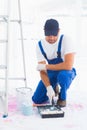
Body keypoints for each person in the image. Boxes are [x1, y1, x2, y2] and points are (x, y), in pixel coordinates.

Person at [32, 18, 76, 107]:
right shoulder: (40, 45)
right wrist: (48, 87)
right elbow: (42, 70)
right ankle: (53, 87)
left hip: (66, 71)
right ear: (44, 31)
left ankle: (62, 96)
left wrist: (46, 67)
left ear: (59, 31)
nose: (51, 38)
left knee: (63, 76)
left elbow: (68, 65)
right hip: (51, 73)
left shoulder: (66, 40)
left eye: (54, 34)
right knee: (37, 99)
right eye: (48, 35)